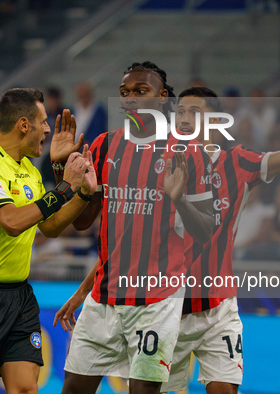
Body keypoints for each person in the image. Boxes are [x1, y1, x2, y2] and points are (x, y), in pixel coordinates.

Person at [56, 87, 280, 394]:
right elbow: (127, 247)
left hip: (217, 309)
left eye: (194, 112)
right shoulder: (152, 166)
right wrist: (84, 292)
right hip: (166, 311)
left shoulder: (237, 164)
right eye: (180, 111)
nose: (184, 118)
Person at [52, 62, 214, 394]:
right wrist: (61, 169)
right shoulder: (104, 147)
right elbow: (83, 222)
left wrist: (180, 200)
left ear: (163, 98)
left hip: (157, 300)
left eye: (141, 91)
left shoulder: (189, 152)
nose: (131, 99)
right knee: (72, 389)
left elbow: (206, 233)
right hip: (104, 299)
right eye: (125, 93)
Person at [0, 88, 96, 394]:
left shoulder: (29, 170)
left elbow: (51, 226)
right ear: (23, 125)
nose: (47, 130)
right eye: (43, 122)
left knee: (26, 388)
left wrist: (82, 193)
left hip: (18, 296)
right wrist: (65, 188)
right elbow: (11, 222)